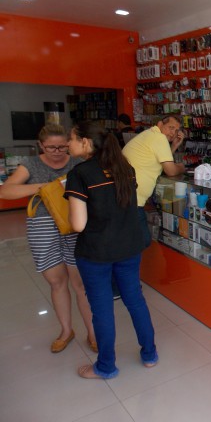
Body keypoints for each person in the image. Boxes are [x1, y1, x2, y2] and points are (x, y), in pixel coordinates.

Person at [65, 121, 157, 379]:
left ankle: (106, 367)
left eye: (71, 139)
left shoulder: (80, 174)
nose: (67, 144)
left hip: (96, 253)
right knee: (135, 300)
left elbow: (78, 224)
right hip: (129, 247)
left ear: (85, 142)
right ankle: (150, 354)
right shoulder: (124, 168)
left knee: (102, 308)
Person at [0, 124, 97, 353]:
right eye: (51, 147)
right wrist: (46, 187)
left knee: (81, 284)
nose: (57, 152)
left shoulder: (77, 162)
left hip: (75, 225)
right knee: (56, 282)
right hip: (42, 227)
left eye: (62, 146)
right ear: (40, 145)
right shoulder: (31, 165)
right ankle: (66, 330)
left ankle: (93, 333)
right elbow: (5, 191)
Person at [122, 115, 186, 247]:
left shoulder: (151, 135)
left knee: (134, 240)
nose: (173, 133)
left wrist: (174, 146)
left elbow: (159, 159)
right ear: (160, 124)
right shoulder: (159, 138)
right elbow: (170, 170)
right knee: (142, 240)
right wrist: (181, 167)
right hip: (132, 199)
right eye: (171, 128)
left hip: (126, 197)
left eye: (176, 130)